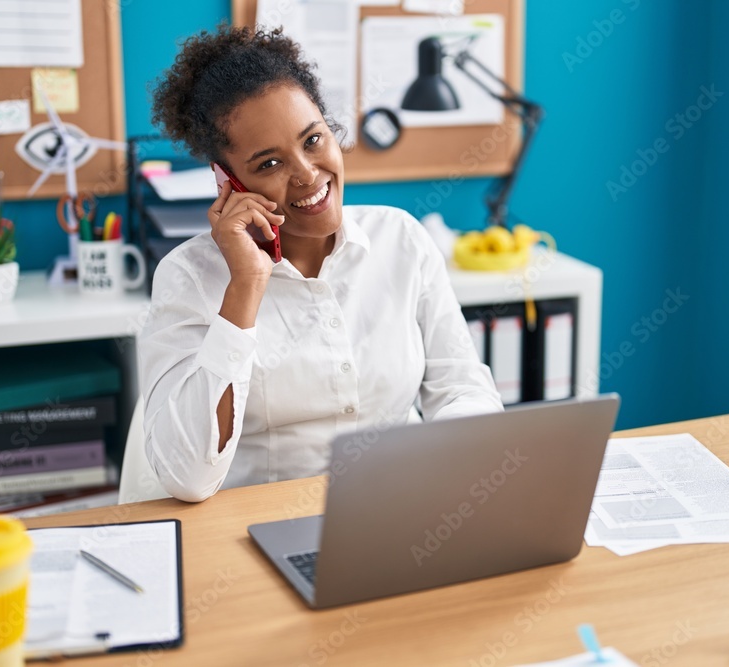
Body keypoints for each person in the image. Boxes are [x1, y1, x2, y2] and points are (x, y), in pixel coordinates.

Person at [140, 23, 502, 502]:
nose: (308, 175)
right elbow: (187, 478)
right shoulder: (189, 278)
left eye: (312, 140)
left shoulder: (401, 240)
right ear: (229, 182)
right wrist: (246, 285)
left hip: (402, 510)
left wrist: (450, 458)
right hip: (258, 533)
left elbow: (462, 389)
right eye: (269, 164)